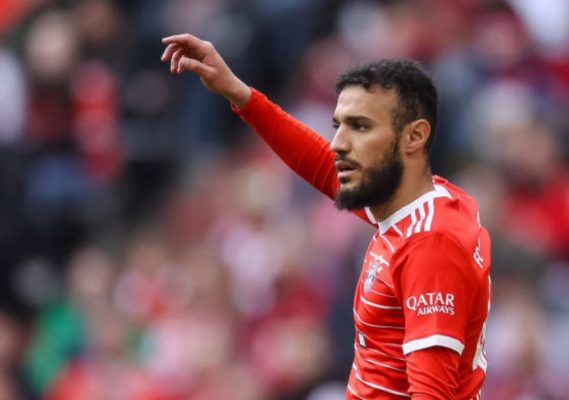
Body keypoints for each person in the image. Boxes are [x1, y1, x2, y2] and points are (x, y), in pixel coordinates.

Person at [161, 33, 491, 400]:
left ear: (413, 137)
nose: (339, 143)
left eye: (361, 127)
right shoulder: (416, 203)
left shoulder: (430, 243)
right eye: (339, 126)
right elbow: (321, 165)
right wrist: (237, 92)